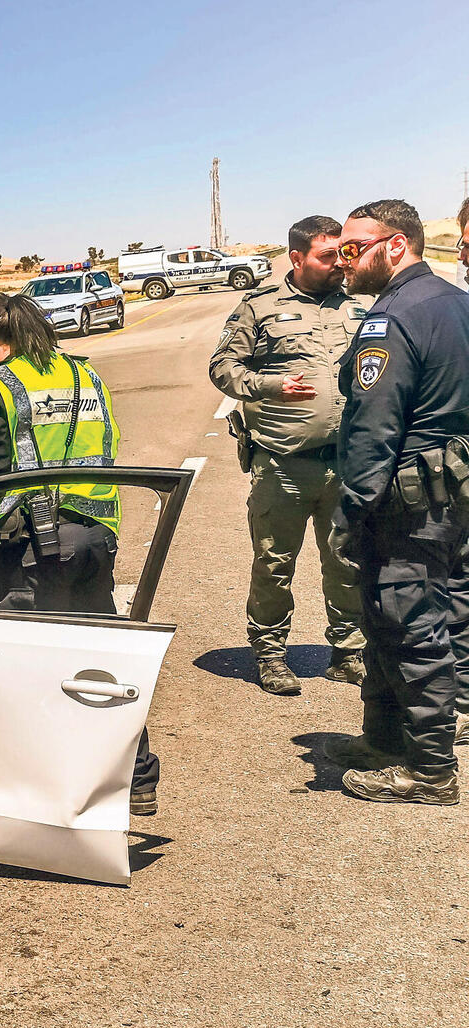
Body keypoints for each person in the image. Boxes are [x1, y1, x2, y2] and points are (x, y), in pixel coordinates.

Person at [0, 291, 158, 815]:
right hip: (95, 536)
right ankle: (138, 778)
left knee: (24, 671)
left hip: (32, 551)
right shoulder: (83, 374)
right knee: (100, 661)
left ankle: (34, 789)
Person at [326, 199, 469, 805]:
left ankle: (431, 770)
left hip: (403, 500)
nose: (342, 263)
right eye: (337, 252)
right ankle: (384, 740)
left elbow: (372, 426)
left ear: (395, 245)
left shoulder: (393, 318)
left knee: (410, 626)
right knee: (401, 618)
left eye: (353, 250)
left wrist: (350, 508)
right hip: (448, 493)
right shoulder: (455, 302)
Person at [207, 216, 367, 695]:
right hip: (283, 461)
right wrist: (270, 385)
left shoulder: (360, 305)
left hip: (348, 460)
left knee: (347, 560)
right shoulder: (260, 308)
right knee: (275, 562)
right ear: (296, 258)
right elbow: (223, 367)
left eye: (344, 253)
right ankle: (271, 654)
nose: (339, 263)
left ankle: (348, 651)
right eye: (326, 255)